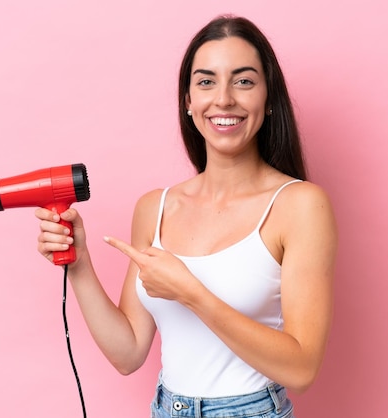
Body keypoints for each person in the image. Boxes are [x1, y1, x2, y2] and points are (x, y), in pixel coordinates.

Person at [36, 15, 337, 418]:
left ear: (268, 101)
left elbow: (301, 370)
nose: (224, 99)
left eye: (244, 81)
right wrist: (79, 263)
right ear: (188, 102)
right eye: (206, 81)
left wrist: (192, 293)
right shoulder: (154, 208)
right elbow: (128, 353)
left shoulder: (299, 205)